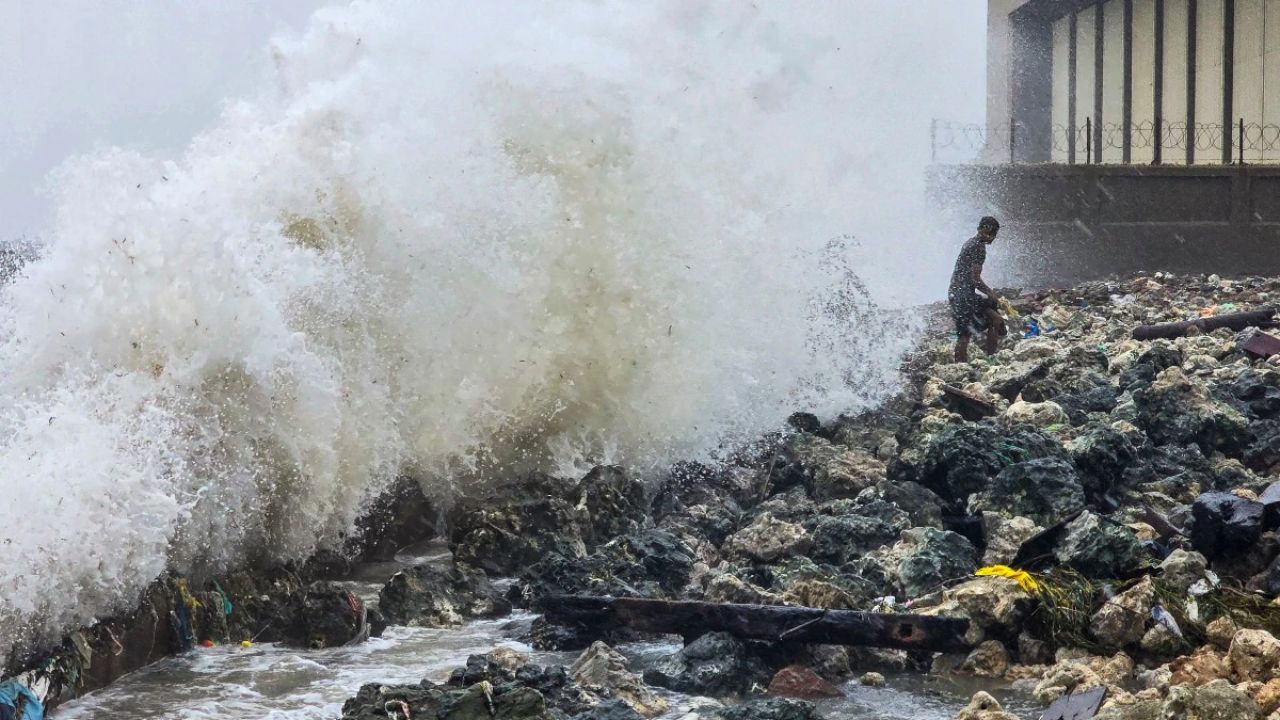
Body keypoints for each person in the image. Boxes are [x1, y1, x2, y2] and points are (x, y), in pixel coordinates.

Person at [948, 216, 1003, 363]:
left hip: (958, 294)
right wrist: (990, 293)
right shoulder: (978, 247)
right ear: (982, 229)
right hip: (962, 296)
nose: (991, 237)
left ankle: (988, 360)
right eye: (990, 232)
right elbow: (975, 279)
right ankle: (965, 366)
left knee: (993, 319)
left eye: (993, 234)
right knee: (965, 335)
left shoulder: (971, 243)